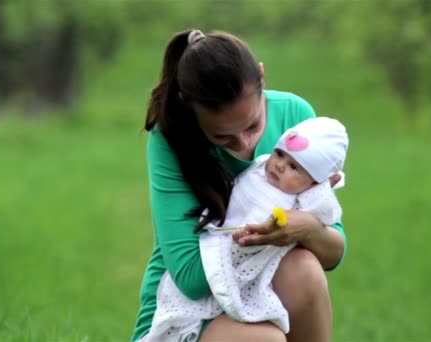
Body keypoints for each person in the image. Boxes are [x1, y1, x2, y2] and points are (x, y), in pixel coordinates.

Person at [131, 29, 347, 342]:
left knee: (305, 270)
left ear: (262, 76)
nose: (244, 142)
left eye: (253, 125)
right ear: (190, 108)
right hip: (189, 313)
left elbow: (333, 250)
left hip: (263, 290)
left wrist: (306, 229)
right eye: (222, 137)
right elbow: (190, 279)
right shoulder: (172, 137)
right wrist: (263, 234)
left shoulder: (295, 116)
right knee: (264, 340)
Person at [145, 117, 349, 341]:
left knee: (305, 268)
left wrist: (309, 221)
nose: (280, 165)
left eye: (294, 167)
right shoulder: (260, 168)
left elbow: (329, 231)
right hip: (219, 256)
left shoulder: (308, 195)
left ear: (313, 182)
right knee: (266, 338)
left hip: (262, 274)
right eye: (280, 154)